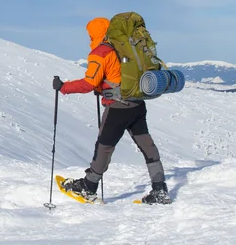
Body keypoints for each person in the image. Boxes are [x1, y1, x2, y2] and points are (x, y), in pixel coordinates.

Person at [53, 17, 171, 205]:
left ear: (94, 34)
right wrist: (102, 89)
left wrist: (63, 87)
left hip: (118, 106)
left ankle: (88, 187)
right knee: (147, 145)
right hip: (137, 103)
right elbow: (117, 76)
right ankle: (160, 190)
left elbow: (88, 83)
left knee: (104, 146)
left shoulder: (101, 52)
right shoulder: (124, 48)